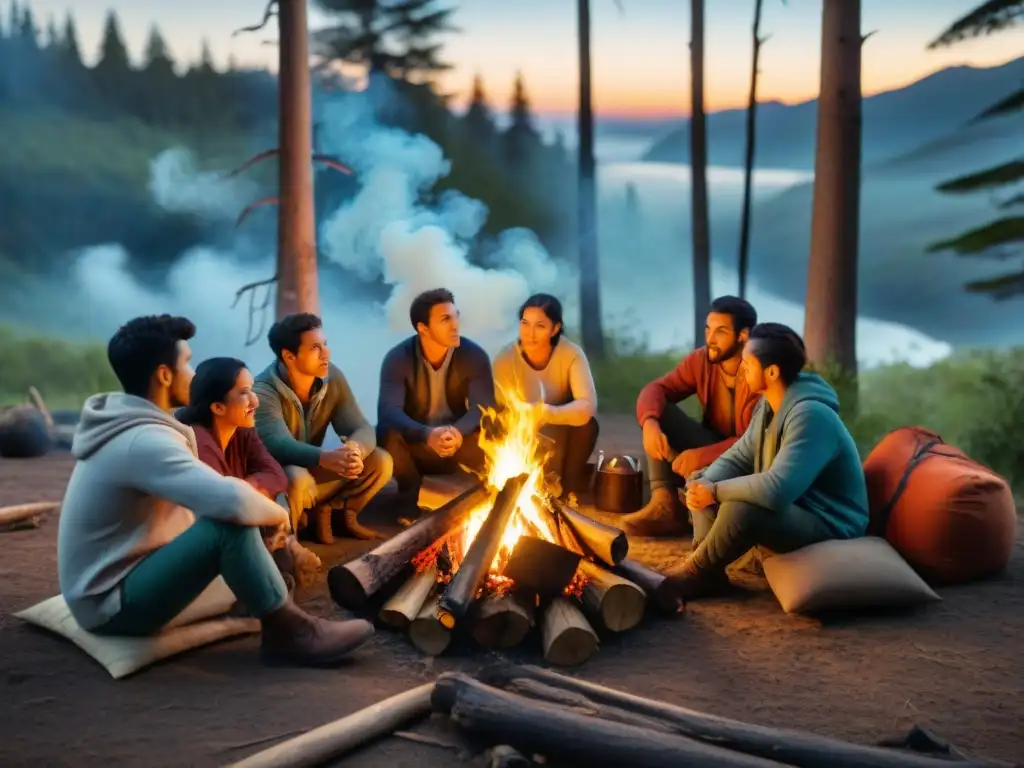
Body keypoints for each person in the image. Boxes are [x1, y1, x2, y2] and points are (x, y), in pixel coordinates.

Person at [56, 315, 374, 666]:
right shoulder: (143, 442)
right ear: (164, 375)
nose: (192, 374)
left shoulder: (138, 427)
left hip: (129, 570)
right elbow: (231, 500)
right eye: (187, 363)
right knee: (228, 525)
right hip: (110, 604)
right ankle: (290, 633)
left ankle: (270, 607)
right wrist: (280, 516)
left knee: (251, 550)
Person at [659, 323, 870, 602]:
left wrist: (715, 491)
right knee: (703, 476)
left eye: (748, 363)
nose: (742, 369)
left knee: (742, 507)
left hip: (828, 521)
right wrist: (705, 482)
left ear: (771, 372)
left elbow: (776, 489)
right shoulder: (769, 404)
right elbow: (741, 455)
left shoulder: (811, 416)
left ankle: (698, 570)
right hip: (794, 509)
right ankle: (706, 564)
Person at [621, 296, 761, 538]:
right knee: (659, 410)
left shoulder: (758, 371)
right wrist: (650, 423)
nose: (710, 339)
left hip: (749, 463)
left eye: (721, 332)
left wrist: (701, 456)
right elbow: (657, 389)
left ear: (743, 335)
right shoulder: (701, 360)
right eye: (708, 329)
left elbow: (754, 441)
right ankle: (666, 505)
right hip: (713, 443)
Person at [177, 357, 321, 589]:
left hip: (239, 516)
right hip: (203, 538)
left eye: (252, 390)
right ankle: (285, 554)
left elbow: (275, 475)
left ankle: (286, 552)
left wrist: (245, 487)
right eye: (244, 393)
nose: (255, 401)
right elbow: (222, 506)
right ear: (217, 407)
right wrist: (246, 493)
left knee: (286, 483)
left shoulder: (243, 430)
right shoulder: (198, 444)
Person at [253, 313, 393, 544]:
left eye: (325, 344)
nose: (326, 353)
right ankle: (288, 545)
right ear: (289, 356)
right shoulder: (264, 391)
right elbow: (279, 446)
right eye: (315, 348)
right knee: (297, 476)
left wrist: (354, 449)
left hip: (314, 469)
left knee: (380, 460)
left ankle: (335, 514)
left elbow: (361, 426)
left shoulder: (330, 375)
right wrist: (323, 457)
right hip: (277, 478)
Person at [377, 288, 495, 506]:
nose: (455, 325)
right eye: (445, 320)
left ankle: (477, 495)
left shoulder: (473, 355)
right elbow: (389, 411)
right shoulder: (398, 358)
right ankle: (409, 493)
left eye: (455, 316)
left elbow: (483, 405)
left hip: (458, 445)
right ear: (423, 328)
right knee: (385, 431)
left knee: (496, 425)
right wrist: (427, 434)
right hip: (417, 445)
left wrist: (458, 432)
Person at [492, 293, 599, 498]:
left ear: (555, 328)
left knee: (588, 426)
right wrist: (525, 419)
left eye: (540, 326)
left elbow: (586, 406)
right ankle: (512, 486)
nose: (530, 333)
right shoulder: (506, 358)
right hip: (521, 432)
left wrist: (543, 412)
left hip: (560, 425)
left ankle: (570, 487)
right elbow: (500, 408)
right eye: (525, 323)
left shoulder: (571, 354)